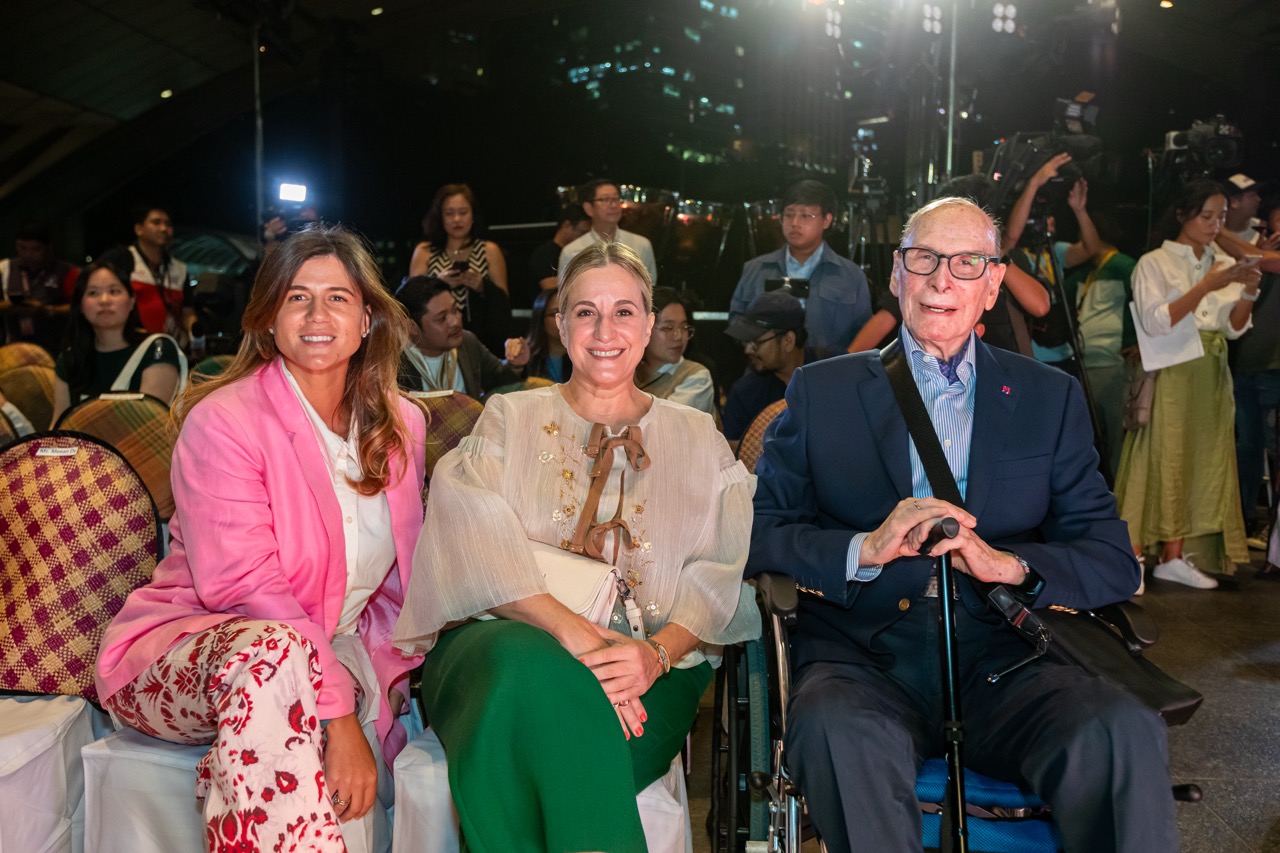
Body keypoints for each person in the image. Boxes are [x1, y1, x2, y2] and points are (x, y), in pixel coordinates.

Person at [747, 196, 1178, 853]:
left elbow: (1111, 557)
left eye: (967, 262)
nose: (942, 279)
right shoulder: (822, 390)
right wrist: (864, 546)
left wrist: (1011, 566)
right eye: (925, 259)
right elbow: (762, 533)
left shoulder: (1047, 397)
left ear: (994, 283)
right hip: (865, 656)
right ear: (896, 275)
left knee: (1119, 729)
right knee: (836, 729)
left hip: (1007, 656)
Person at [393, 241, 758, 852]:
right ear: (561, 326)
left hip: (645, 674)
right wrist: (573, 633)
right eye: (585, 312)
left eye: (624, 311)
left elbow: (716, 576)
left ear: (648, 325)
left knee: (537, 731)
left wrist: (656, 657)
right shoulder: (510, 415)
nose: (605, 329)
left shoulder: (696, 436)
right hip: (495, 647)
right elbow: (468, 540)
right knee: (522, 664)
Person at [94, 225, 428, 853]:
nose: (317, 314)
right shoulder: (223, 420)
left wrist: (379, 689)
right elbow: (246, 588)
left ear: (367, 319)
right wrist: (336, 714)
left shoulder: (399, 424)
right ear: (269, 318)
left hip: (326, 650)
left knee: (289, 669)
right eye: (297, 297)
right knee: (273, 658)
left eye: (338, 297)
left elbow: (395, 586)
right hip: (192, 655)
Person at [1116, 179, 1263, 590]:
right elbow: (1155, 320)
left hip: (1212, 370)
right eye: (1206, 216)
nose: (1215, 225)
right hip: (1172, 368)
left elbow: (1233, 330)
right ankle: (1133, 555)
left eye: (1220, 216)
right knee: (1158, 458)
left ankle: (1173, 556)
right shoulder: (1155, 262)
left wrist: (1248, 291)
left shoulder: (1221, 262)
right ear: (1183, 214)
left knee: (1200, 460)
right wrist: (1206, 287)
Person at [728, 179, 871, 359]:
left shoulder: (851, 275)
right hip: (765, 378)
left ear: (827, 220)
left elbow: (864, 332)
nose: (795, 223)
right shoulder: (755, 268)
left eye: (805, 216)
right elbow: (736, 318)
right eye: (788, 215)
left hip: (827, 376)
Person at [51, 256, 185, 425]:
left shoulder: (156, 349)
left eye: (114, 291)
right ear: (80, 306)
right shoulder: (69, 360)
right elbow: (59, 425)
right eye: (93, 293)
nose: (104, 301)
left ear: (131, 301)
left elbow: (149, 426)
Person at [1071, 210, 1137, 480]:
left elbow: (1143, 305)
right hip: (1083, 365)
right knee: (1092, 439)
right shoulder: (1085, 270)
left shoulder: (1124, 265)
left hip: (1113, 364)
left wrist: (1136, 343)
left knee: (1117, 437)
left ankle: (1121, 495)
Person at [408, 184, 511, 355]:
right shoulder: (424, 251)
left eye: (463, 212)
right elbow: (410, 300)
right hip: (434, 341)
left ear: (473, 215)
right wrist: (437, 283)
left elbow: (503, 301)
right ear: (440, 217)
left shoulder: (489, 250)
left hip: (482, 339)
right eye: (450, 213)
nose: (457, 219)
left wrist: (482, 287)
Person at [396, 275, 528, 399]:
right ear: (412, 327)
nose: (455, 321)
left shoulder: (467, 342)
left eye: (455, 310)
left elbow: (500, 380)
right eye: (442, 318)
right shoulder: (394, 361)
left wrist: (516, 364)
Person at [722, 290, 807, 451]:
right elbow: (735, 451)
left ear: (788, 341)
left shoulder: (831, 372)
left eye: (756, 342)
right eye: (746, 341)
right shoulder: (744, 393)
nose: (748, 349)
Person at [99, 205, 192, 344]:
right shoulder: (120, 259)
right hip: (132, 346)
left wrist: (195, 337)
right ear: (139, 229)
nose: (163, 229)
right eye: (156, 222)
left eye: (168, 224)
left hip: (175, 348)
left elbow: (188, 312)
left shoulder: (180, 269)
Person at [634, 286, 716, 417]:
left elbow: (661, 424)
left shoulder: (696, 378)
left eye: (684, 327)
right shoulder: (628, 371)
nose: (679, 336)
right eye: (668, 328)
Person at [559, 178, 659, 284]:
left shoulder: (641, 245)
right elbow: (567, 293)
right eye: (605, 199)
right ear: (588, 208)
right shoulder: (572, 251)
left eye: (616, 199)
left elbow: (651, 287)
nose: (613, 205)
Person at [0, 219, 77, 352]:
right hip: (14, 347)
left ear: (48, 248)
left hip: (56, 348)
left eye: (35, 249)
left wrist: (50, 310)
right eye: (22, 248)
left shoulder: (67, 272)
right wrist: (10, 306)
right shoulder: (4, 268)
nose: (28, 254)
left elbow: (79, 306)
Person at [527, 202, 591, 301]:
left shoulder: (580, 251)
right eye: (582, 232)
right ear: (567, 225)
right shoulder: (544, 253)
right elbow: (548, 286)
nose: (585, 237)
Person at [523, 287, 572, 383]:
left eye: (566, 312)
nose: (562, 319)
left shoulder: (583, 355)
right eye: (554, 313)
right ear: (540, 320)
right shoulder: (526, 356)